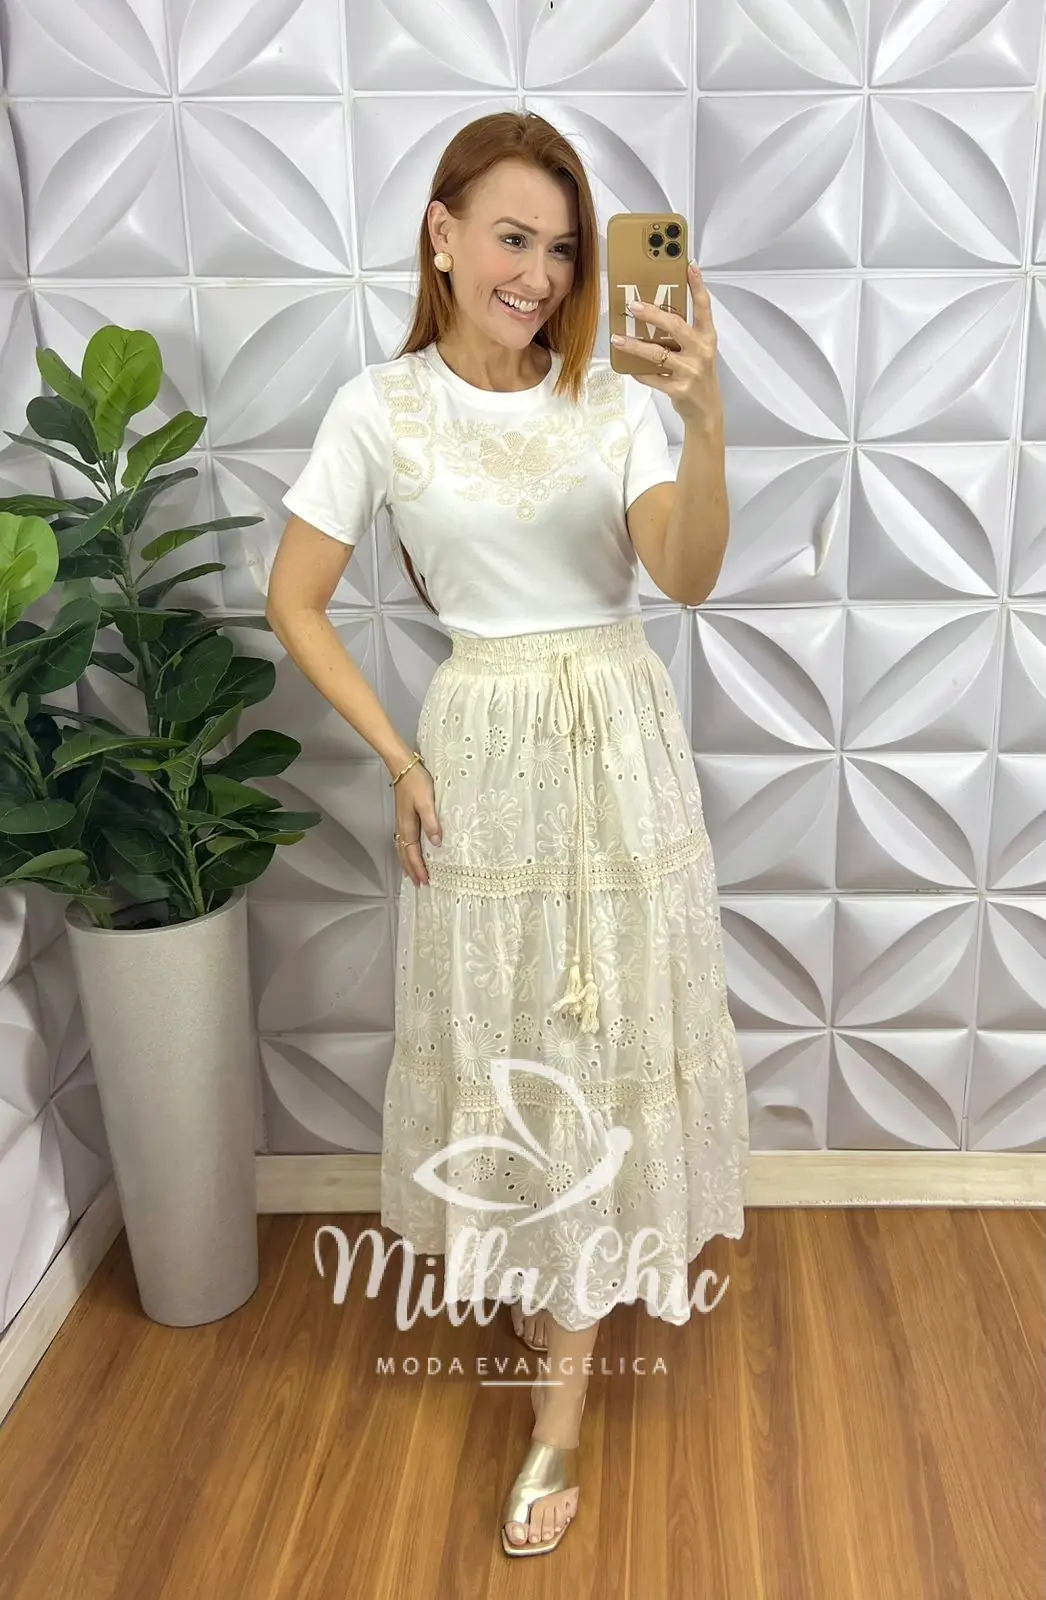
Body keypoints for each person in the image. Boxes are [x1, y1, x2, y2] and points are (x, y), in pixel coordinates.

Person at [266, 109, 749, 1558]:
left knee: (606, 1043)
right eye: (510, 238)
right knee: (514, 1040)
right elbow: (296, 600)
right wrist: (401, 757)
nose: (536, 275)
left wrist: (706, 417)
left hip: (618, 746)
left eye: (561, 248)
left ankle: (558, 1413)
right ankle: (547, 1277)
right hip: (480, 751)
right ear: (442, 234)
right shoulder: (379, 409)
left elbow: (685, 576)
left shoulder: (612, 400)